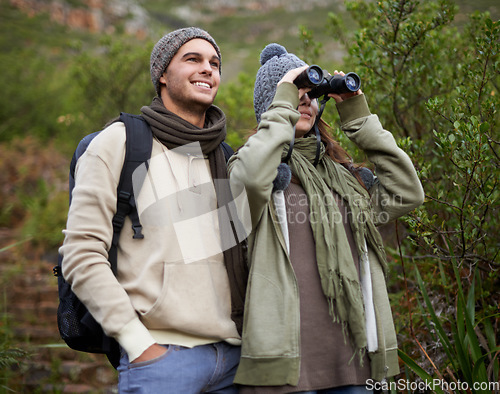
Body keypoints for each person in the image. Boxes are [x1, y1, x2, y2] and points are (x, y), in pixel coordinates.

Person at [59, 27, 247, 393]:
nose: (207, 69)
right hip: (162, 362)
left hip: (233, 363)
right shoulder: (120, 142)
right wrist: (138, 343)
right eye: (192, 59)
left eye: (215, 63)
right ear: (162, 73)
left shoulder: (225, 158)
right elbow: (81, 252)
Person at [228, 43, 425, 393]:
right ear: (274, 105)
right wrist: (283, 104)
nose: (305, 100)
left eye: (311, 94)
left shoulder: (345, 177)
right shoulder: (256, 170)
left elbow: (407, 192)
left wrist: (358, 116)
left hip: (355, 361)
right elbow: (250, 178)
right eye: (295, 93)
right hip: (285, 367)